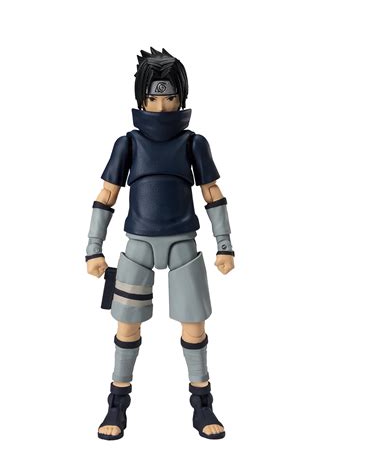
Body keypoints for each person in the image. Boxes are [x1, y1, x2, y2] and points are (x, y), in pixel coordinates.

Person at [86, 48, 234, 440]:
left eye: (170, 98)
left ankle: (202, 402)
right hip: (138, 244)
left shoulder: (193, 143)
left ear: (181, 99)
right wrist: (93, 247)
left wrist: (224, 244)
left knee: (194, 326)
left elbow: (212, 192)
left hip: (183, 242)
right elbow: (107, 194)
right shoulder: (128, 143)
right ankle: (117, 402)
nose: (163, 106)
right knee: (127, 325)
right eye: (154, 98)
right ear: (142, 100)